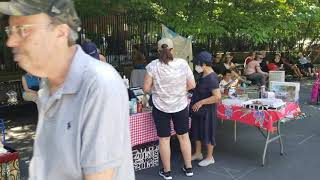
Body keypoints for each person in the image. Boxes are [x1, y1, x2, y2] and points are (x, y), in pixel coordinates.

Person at [0, 1, 134, 180]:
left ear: (60, 33)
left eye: (23, 30)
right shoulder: (48, 85)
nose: (11, 41)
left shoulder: (98, 83)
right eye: (10, 31)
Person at [143, 38, 196, 179]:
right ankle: (189, 168)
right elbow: (191, 85)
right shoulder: (182, 64)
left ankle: (167, 172)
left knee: (164, 139)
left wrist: (158, 89)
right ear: (173, 50)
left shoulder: (152, 66)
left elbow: (146, 88)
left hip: (160, 107)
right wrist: (178, 90)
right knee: (184, 137)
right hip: (180, 105)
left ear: (158, 50)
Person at [190, 51, 221, 167]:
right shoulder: (203, 74)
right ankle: (198, 153)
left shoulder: (212, 78)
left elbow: (217, 97)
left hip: (207, 110)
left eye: (197, 64)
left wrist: (201, 102)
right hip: (198, 109)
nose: (196, 66)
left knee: (208, 132)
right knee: (196, 131)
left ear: (203, 64)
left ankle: (209, 157)